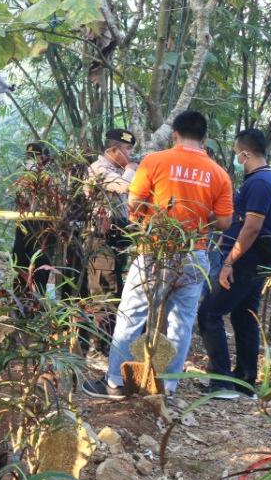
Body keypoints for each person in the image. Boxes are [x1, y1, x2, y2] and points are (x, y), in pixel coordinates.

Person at [83, 111, 233, 399]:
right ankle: (167, 387)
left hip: (154, 250)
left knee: (131, 315)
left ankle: (115, 382)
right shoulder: (218, 173)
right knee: (182, 322)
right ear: (204, 138)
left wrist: (153, 218)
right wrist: (198, 219)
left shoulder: (154, 161)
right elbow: (225, 222)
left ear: (175, 134)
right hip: (194, 253)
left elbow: (134, 202)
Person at [197, 129, 271, 400]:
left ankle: (221, 382)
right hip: (258, 260)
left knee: (210, 313)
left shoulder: (258, 182)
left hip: (245, 260)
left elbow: (252, 227)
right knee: (244, 316)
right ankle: (245, 381)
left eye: (237, 155)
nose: (237, 160)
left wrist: (229, 262)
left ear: (245, 154)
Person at [81, 129, 138, 364]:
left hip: (119, 235)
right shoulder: (99, 169)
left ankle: (108, 346)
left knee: (115, 292)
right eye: (126, 150)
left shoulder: (118, 170)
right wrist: (133, 169)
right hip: (101, 238)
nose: (129, 155)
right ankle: (97, 350)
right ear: (112, 150)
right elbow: (126, 187)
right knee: (103, 293)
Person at [11, 141, 54, 297]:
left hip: (44, 227)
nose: (31, 163)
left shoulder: (54, 177)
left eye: (35, 158)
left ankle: (35, 305)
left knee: (40, 269)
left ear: (45, 158)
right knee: (20, 264)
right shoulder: (24, 175)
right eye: (29, 158)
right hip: (24, 224)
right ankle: (19, 306)